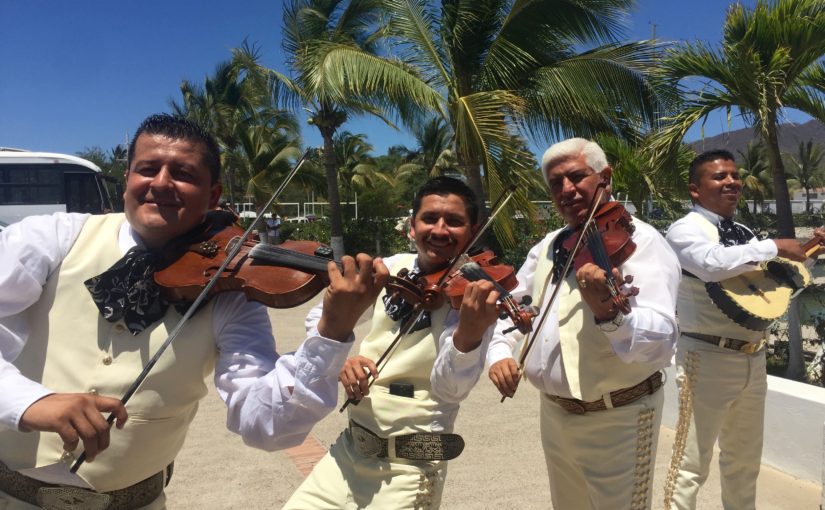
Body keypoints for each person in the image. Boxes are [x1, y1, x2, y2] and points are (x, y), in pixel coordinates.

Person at [0, 114, 388, 509]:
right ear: (127, 180)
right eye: (147, 169)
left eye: (183, 173)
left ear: (213, 196)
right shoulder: (52, 238)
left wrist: (332, 330)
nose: (162, 183)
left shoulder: (230, 289)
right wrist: (26, 401)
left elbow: (266, 426)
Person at [283, 176, 501, 509]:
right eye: (430, 218)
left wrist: (468, 336)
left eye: (454, 222)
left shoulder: (473, 297)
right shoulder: (390, 268)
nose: (440, 230)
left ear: (472, 232)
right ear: (412, 226)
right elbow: (320, 319)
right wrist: (341, 357)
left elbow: (450, 390)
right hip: (348, 451)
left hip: (410, 467)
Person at [487, 138, 680, 509]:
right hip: (554, 415)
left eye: (577, 177)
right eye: (556, 183)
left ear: (604, 177)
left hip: (618, 418)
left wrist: (612, 315)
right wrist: (498, 352)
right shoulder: (548, 245)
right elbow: (513, 306)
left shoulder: (642, 241)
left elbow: (663, 337)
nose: (566, 190)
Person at [662, 150, 825, 509]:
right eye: (720, 177)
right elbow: (710, 264)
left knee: (744, 461)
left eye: (735, 175)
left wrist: (809, 253)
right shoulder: (685, 229)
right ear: (695, 189)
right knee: (690, 465)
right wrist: (773, 245)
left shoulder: (744, 233)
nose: (732, 182)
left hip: (752, 358)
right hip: (705, 357)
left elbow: (769, 293)